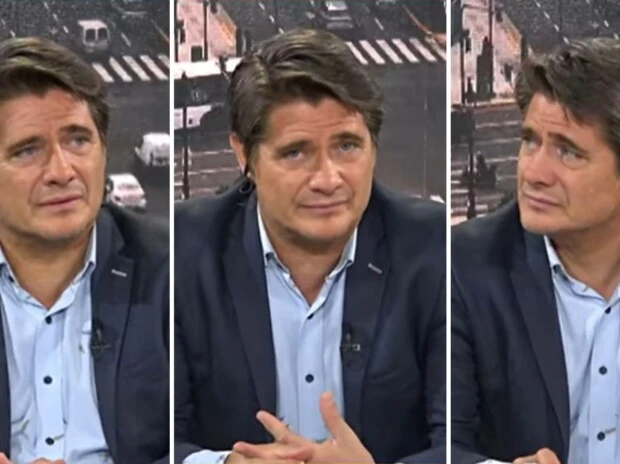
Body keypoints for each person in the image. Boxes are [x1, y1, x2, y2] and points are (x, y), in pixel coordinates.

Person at [174, 28, 446, 464]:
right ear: (244, 157)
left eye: (347, 146)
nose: (328, 179)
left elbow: (460, 441)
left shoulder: (432, 250)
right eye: (295, 153)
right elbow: (150, 439)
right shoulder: (184, 253)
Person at [0, 38, 169, 464]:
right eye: (27, 150)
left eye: (78, 141)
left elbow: (214, 442)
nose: (62, 171)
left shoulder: (174, 270)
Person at [452, 38, 620, 464]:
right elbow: (437, 443)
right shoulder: (463, 269)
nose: (534, 172)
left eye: (568, 152)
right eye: (530, 141)